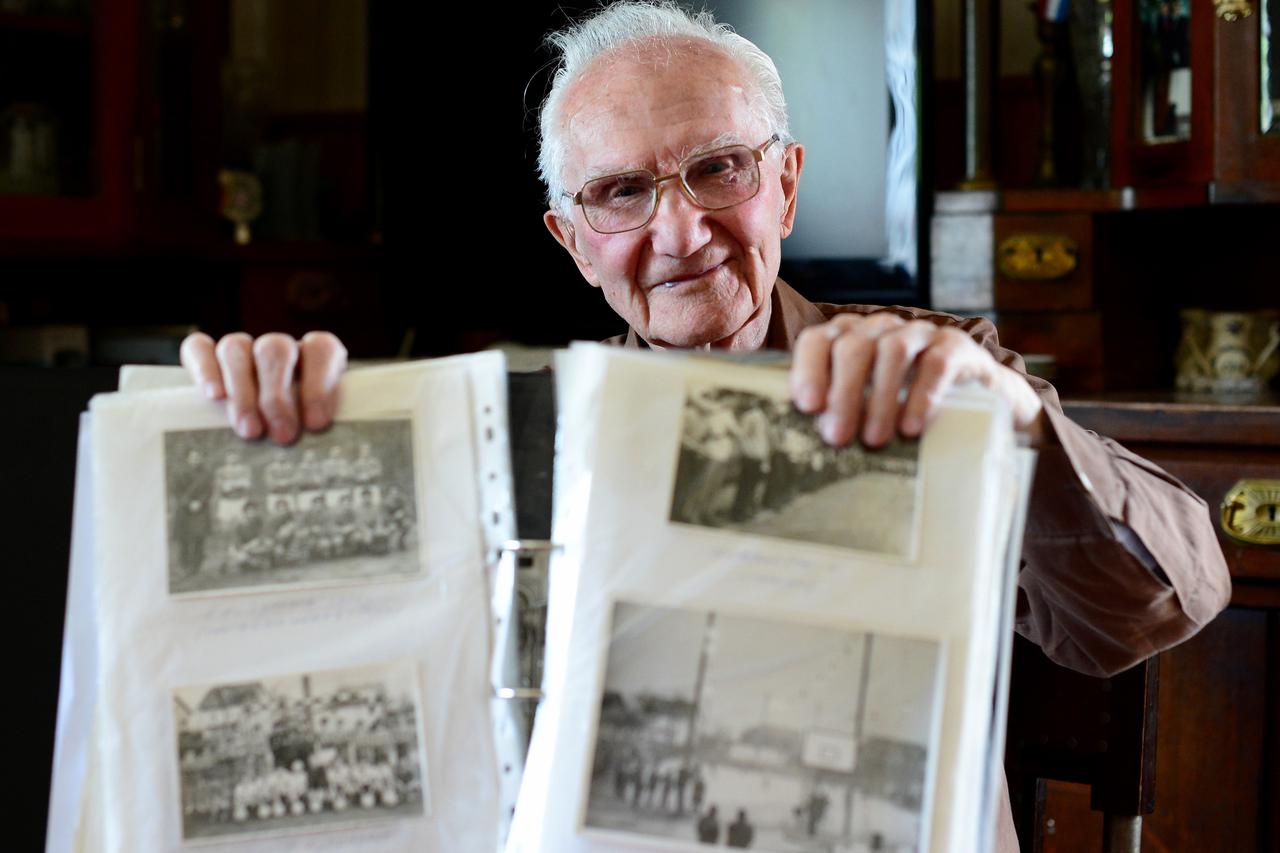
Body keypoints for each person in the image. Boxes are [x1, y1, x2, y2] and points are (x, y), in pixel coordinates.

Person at [178, 3, 1230, 849]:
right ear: (573, 240)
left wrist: (1011, 422)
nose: (677, 232)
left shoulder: (936, 380)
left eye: (717, 169)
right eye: (620, 192)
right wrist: (258, 437)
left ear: (783, 181)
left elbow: (1157, 603)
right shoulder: (506, 435)